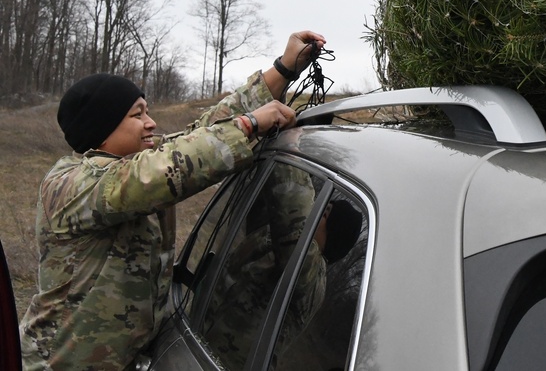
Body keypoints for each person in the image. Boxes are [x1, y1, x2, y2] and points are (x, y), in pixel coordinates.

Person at [18, 30, 326, 371]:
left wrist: (283, 69)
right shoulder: (70, 185)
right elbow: (166, 169)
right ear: (102, 126)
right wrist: (249, 125)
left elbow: (201, 133)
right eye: (137, 115)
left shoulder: (133, 161)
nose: (151, 123)